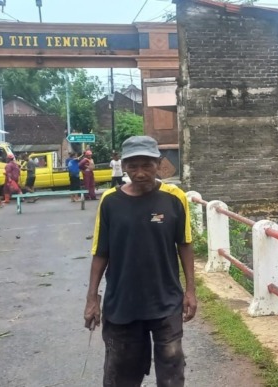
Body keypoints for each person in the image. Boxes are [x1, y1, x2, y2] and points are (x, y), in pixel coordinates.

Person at [84, 136, 196, 387]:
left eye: (147, 165)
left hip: (166, 299)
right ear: (123, 166)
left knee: (172, 369)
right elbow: (100, 252)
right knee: (122, 374)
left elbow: (185, 243)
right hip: (123, 302)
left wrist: (190, 290)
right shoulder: (110, 201)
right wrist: (92, 298)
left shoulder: (174, 197)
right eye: (133, 166)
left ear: (159, 164)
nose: (140, 173)